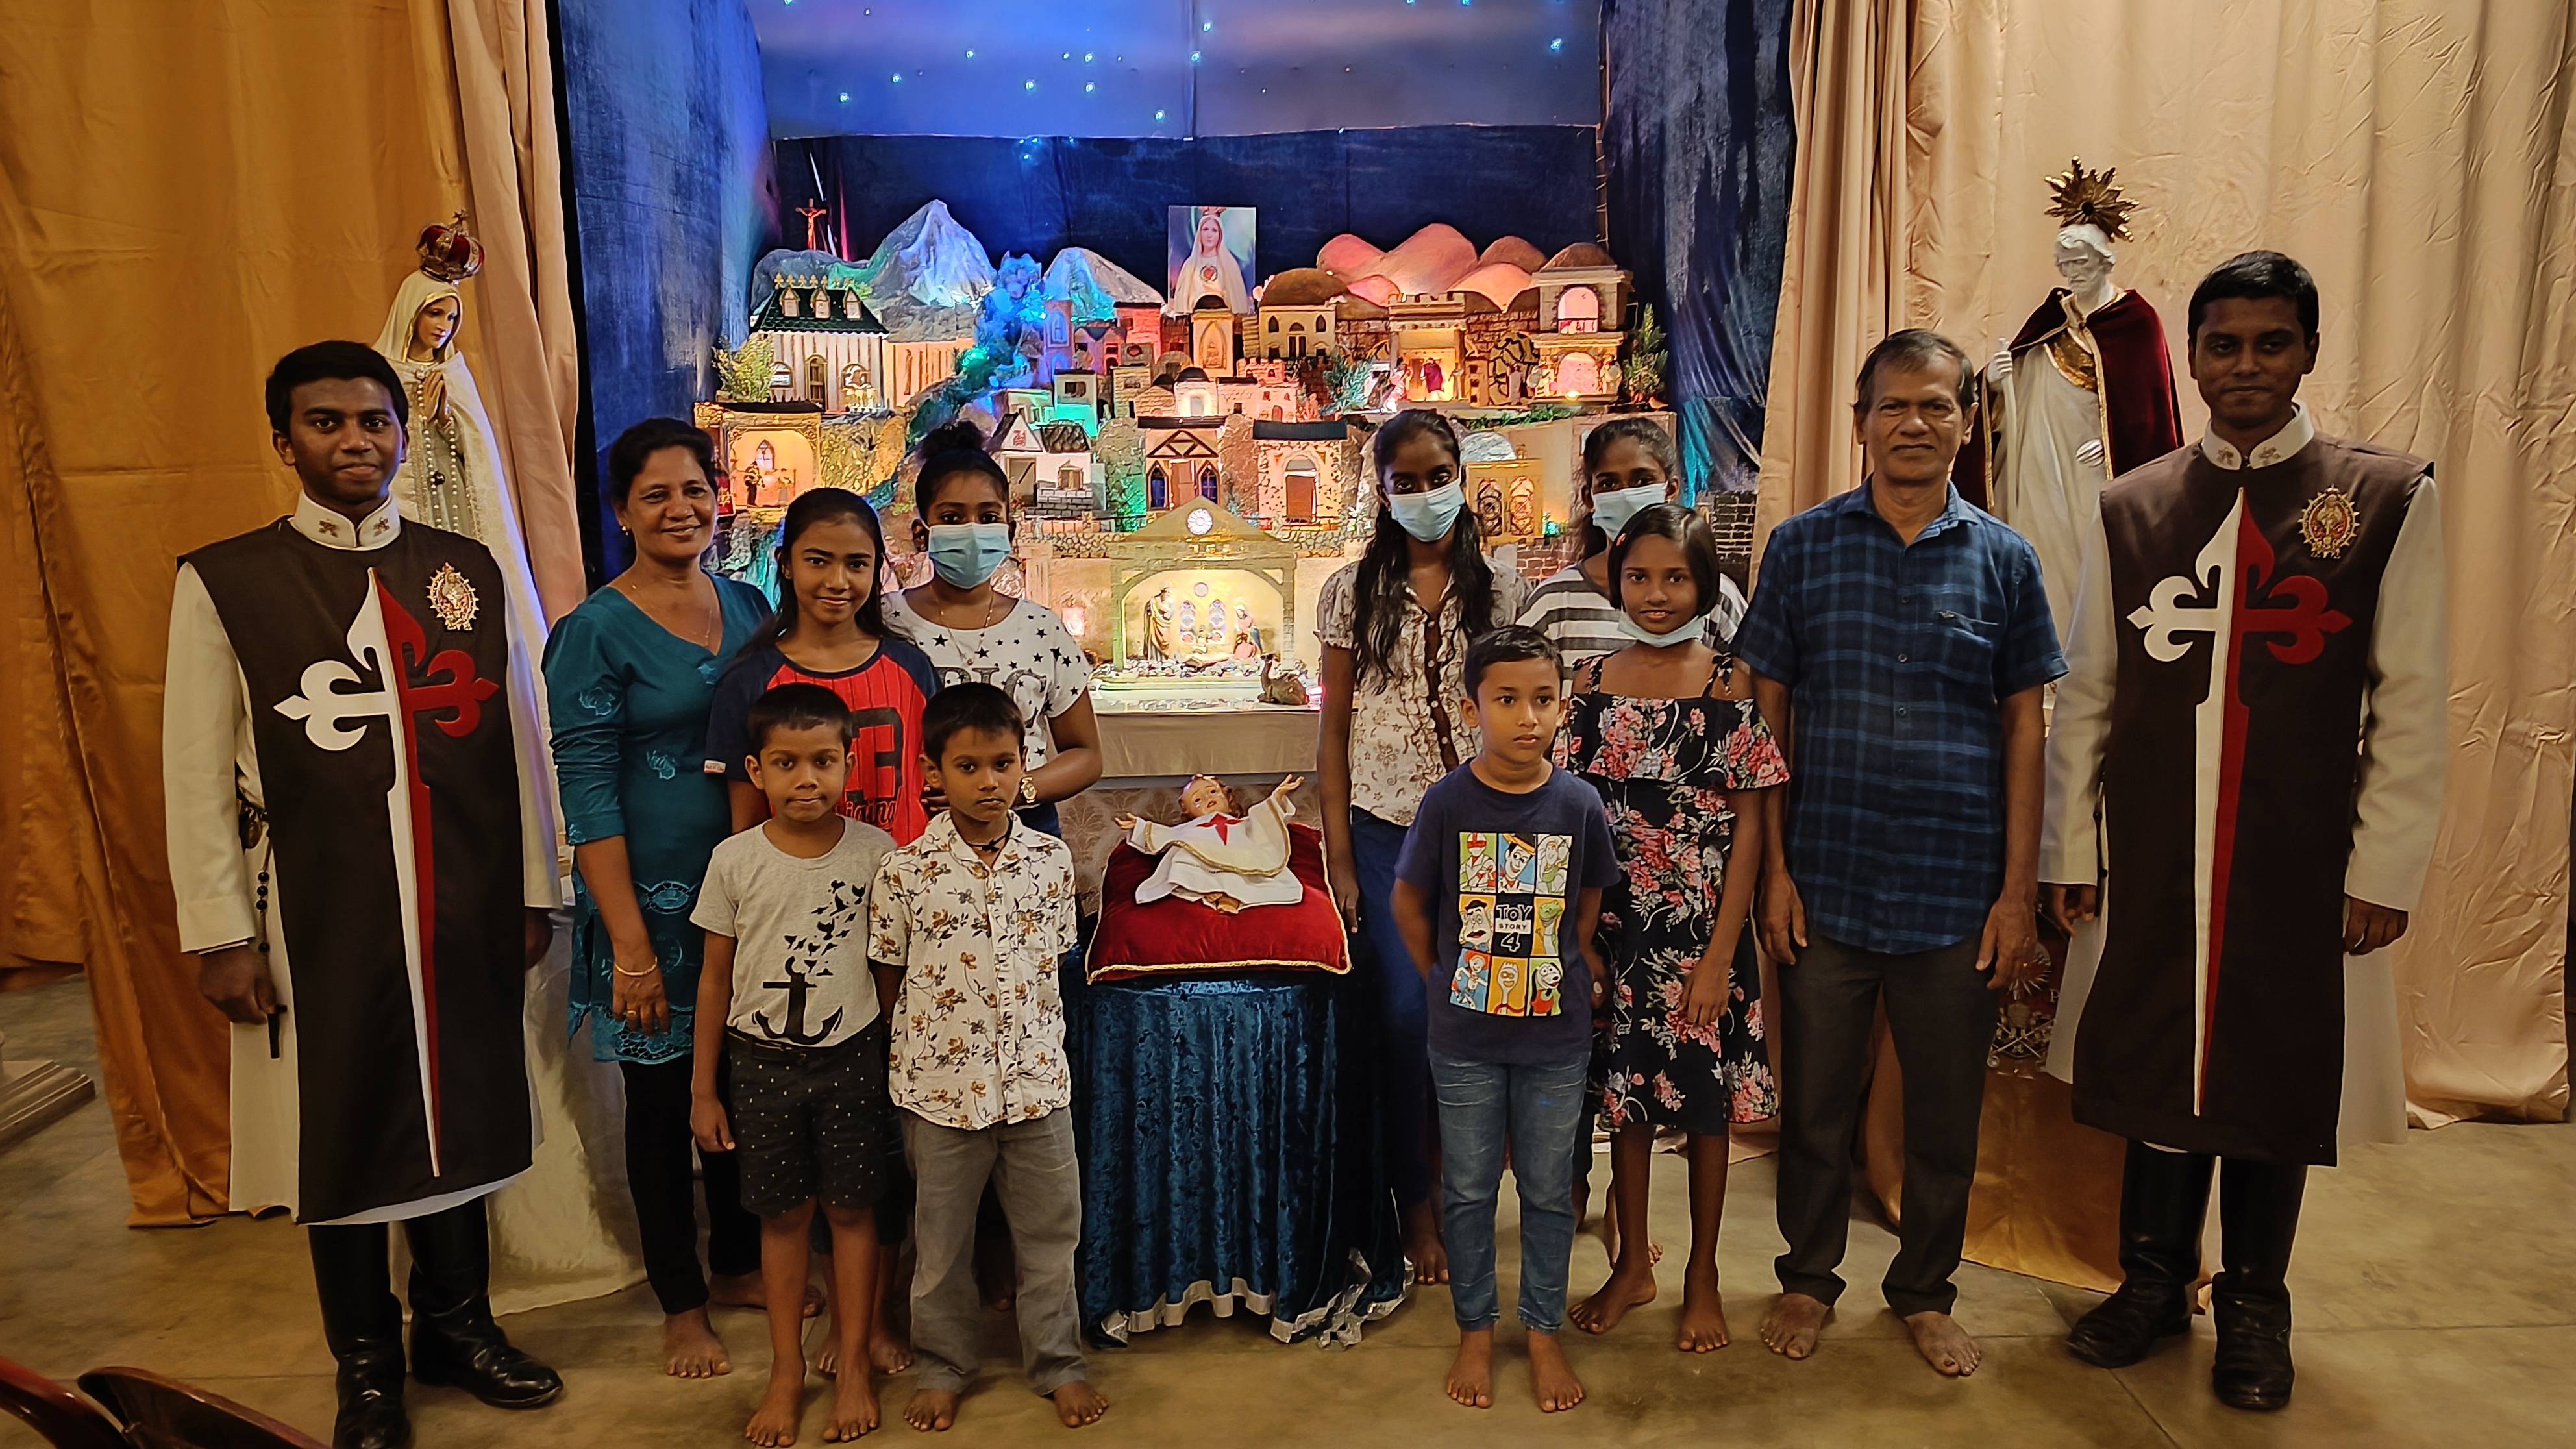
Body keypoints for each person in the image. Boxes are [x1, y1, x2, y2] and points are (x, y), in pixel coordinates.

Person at [2040, 251, 2447, 1412]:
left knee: (2272, 1067)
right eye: (2223, 345)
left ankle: (2257, 1303)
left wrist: (2383, 866)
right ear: (2194, 355)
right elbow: (2089, 690)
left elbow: (2413, 697)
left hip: (2295, 855)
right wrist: (2070, 847)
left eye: (2272, 343)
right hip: (2156, 846)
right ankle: (2151, 1282)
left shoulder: (2382, 498)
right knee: (2157, 1059)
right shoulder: (2133, 506)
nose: (2246, 367)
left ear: (2307, 350)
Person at [164, 341, 562, 1448]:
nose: (355, 441)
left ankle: (461, 1329)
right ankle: (368, 1366)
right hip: (315, 909)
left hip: (459, 897)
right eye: (326, 422)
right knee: (339, 1126)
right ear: (283, 439)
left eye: (374, 421)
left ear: (401, 432)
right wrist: (219, 933)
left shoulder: (464, 569)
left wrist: (533, 891)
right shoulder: (228, 582)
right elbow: (193, 772)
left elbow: (515, 738)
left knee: (460, 1110)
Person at [1735, 330, 2064, 1378]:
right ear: (1860, 423)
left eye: (1935, 405)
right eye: (1892, 405)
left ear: (1965, 422)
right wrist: (1774, 872)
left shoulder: (2006, 561)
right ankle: (1806, 1276)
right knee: (1816, 1104)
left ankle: (1924, 1290)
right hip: (1822, 881)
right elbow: (1766, 721)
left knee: (1944, 1113)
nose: (1913, 423)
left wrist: (2015, 895)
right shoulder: (1801, 548)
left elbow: (2025, 729)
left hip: (1955, 890)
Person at [543, 417, 780, 1379]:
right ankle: (681, 1301)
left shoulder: (748, 602)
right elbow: (588, 794)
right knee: (660, 1099)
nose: (680, 509)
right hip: (648, 904)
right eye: (655, 495)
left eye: (694, 490)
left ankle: (736, 1263)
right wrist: (631, 945)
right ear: (621, 512)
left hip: (750, 891)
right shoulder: (592, 633)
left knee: (738, 1081)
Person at [1558, 504, 1789, 1352]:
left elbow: (1751, 828)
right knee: (1625, 1102)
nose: (1656, 595)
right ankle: (1632, 1266)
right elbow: (1568, 820)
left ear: (1706, 586)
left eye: (1676, 578)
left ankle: (1702, 1276)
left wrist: (1723, 954)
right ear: (1616, 581)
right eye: (1639, 577)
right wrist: (1580, 940)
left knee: (1706, 1106)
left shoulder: (1729, 685)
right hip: (1615, 934)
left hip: (1700, 936)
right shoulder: (1587, 684)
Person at [1317, 408, 1528, 1283]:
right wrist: (1338, 855)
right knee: (1406, 1021)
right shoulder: (1350, 593)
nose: (1425, 493)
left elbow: (1521, 711)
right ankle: (1414, 1203)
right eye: (1405, 482)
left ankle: (1463, 1193)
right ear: (1381, 492)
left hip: (1489, 832)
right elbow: (1333, 730)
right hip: (1385, 836)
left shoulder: (1502, 592)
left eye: (1438, 476)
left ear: (1461, 478)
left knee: (1480, 1021)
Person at [867, 685, 1109, 1431]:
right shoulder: (905, 871)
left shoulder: (1049, 861)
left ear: (1023, 763)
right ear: (931, 773)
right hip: (942, 1093)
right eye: (967, 767)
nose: (987, 782)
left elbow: (1051, 960)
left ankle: (1058, 1363)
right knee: (941, 1245)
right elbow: (889, 979)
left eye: (1002, 764)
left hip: (1037, 1089)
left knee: (1050, 1238)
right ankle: (943, 1367)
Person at [1389, 626, 1619, 1414]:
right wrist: (1440, 978)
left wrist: (1569, 962)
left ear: (1562, 707)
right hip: (1465, 1040)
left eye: (1543, 700)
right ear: (1471, 709)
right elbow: (1409, 903)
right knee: (1467, 1189)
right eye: (1507, 700)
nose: (1527, 717)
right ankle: (1476, 1330)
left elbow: (1586, 903)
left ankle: (1543, 1330)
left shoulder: (1578, 804)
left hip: (1554, 1037)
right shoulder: (1448, 801)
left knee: (1550, 1191)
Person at [689, 684, 898, 1444]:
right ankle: (785, 1372)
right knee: (782, 1218)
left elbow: (889, 969)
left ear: (849, 764)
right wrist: (702, 1090)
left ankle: (853, 1366)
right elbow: (715, 978)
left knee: (851, 1212)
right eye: (785, 763)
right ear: (756, 770)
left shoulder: (877, 854)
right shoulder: (733, 860)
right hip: (760, 1064)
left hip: (854, 1057)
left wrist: (896, 1058)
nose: (806, 779)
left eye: (822, 761)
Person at [882, 422, 1102, 839]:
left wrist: (1018, 789)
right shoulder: (885, 622)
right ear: (921, 533)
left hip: (1026, 833)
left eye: (987, 517)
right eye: (951, 518)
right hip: (914, 831)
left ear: (1009, 531)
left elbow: (1087, 754)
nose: (971, 531)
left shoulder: (1042, 629)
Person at [709, 488, 941, 847]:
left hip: (908, 876)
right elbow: (747, 831)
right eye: (818, 561)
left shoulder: (912, 669)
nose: (837, 582)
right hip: (796, 880)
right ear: (786, 563)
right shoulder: (748, 682)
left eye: (857, 564)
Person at [1518, 419, 1747, 679]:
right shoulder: (1555, 602)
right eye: (1609, 484)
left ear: (1670, 489)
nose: (1626, 495)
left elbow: (1746, 683)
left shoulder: (1716, 595)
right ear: (1589, 498)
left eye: (1642, 481)